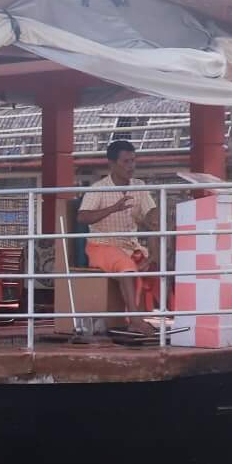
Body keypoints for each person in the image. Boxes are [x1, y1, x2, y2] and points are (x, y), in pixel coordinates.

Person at [75, 140, 159, 339]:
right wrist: (114, 208)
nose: (131, 166)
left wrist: (155, 217)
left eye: (133, 161)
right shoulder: (98, 188)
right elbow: (82, 217)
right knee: (127, 268)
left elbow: (150, 216)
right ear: (111, 164)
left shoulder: (139, 186)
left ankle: (138, 318)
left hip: (130, 245)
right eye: (126, 162)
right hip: (101, 245)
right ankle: (136, 321)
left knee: (153, 267)